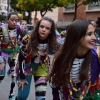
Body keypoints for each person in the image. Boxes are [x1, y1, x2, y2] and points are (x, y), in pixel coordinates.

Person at [47, 20, 100, 100]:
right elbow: (55, 84)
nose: (94, 38)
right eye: (89, 34)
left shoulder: (96, 55)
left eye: (94, 34)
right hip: (67, 95)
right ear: (76, 36)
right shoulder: (62, 57)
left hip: (90, 94)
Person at [16, 17, 59, 100]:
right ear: (38, 27)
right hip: (26, 67)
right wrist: (22, 77)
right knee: (22, 96)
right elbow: (21, 58)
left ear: (50, 31)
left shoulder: (53, 42)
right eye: (42, 27)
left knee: (41, 97)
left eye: (47, 28)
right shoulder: (28, 39)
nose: (43, 30)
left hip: (41, 67)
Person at [0, 12, 21, 100]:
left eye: (16, 20)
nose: (14, 22)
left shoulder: (19, 28)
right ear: (8, 20)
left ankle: (11, 96)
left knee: (14, 75)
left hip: (13, 54)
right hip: (3, 54)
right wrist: (1, 61)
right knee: (1, 75)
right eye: (12, 20)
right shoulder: (2, 29)